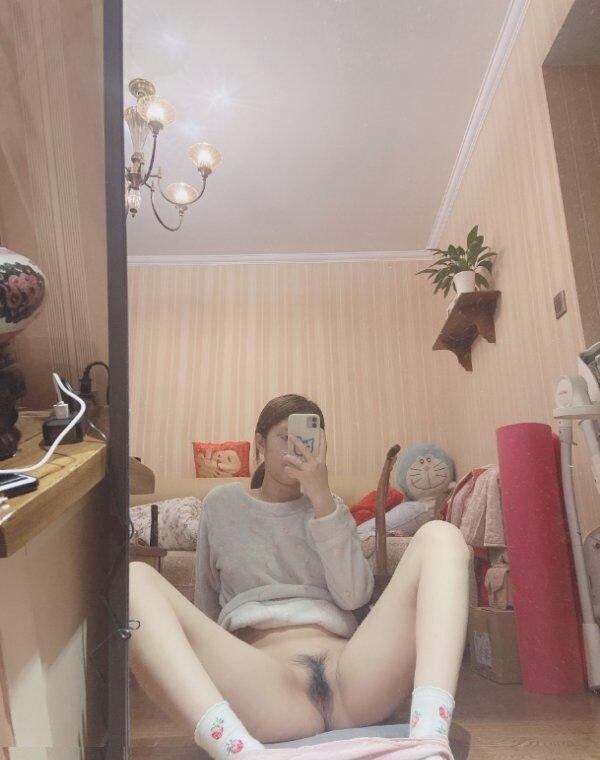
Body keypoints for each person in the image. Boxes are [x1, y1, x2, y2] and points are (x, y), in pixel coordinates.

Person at [129, 394, 470, 759]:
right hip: (268, 689)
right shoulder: (221, 504)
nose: (298, 448)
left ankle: (429, 739)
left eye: (309, 438)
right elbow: (206, 607)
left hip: (353, 682)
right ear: (260, 444)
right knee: (134, 579)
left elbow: (354, 597)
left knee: (441, 536)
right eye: (285, 437)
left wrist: (322, 501)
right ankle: (236, 748)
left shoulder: (332, 508)